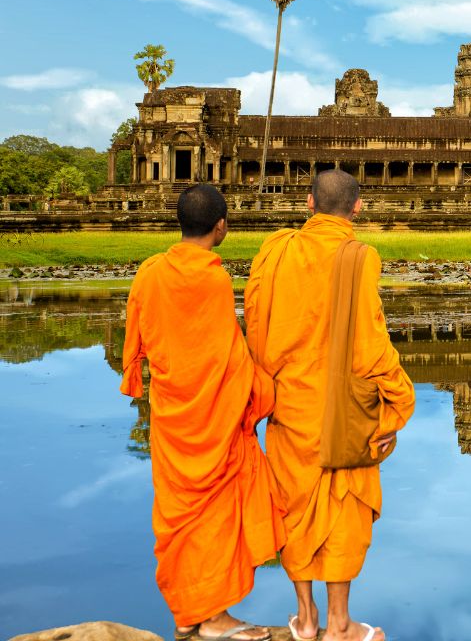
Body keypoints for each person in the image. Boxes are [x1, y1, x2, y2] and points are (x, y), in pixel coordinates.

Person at [245, 170, 415, 641]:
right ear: (357, 207)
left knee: (293, 504)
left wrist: (266, 387)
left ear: (307, 202)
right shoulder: (359, 257)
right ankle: (341, 623)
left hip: (289, 404)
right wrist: (398, 403)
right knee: (343, 506)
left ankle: (306, 618)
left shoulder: (275, 252)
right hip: (343, 411)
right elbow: (371, 343)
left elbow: (255, 326)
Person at [120, 184, 282, 641]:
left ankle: (189, 614)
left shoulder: (150, 272)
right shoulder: (212, 278)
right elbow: (226, 355)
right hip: (212, 419)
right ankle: (213, 617)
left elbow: (140, 337)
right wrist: (264, 388)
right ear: (221, 226)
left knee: (181, 515)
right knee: (213, 516)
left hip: (172, 415)